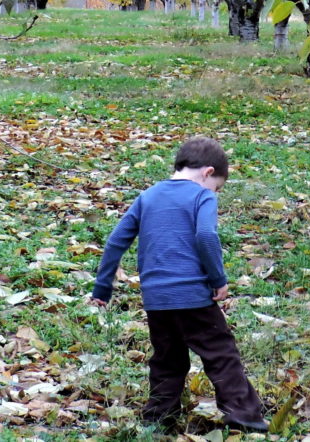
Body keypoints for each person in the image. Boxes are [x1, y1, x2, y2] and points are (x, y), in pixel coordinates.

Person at [90, 136, 268, 433]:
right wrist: (218, 280)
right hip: (193, 296)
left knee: (167, 359)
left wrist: (102, 287)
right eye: (218, 186)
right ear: (208, 172)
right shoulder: (202, 196)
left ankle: (159, 420)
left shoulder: (148, 196)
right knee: (220, 354)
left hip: (156, 298)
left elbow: (115, 242)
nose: (216, 192)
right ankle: (244, 417)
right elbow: (206, 237)